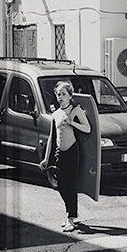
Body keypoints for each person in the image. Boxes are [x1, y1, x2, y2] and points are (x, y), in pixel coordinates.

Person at [48, 80, 92, 233]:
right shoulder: (55, 114)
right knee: (60, 185)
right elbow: (51, 138)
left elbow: (88, 129)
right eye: (58, 94)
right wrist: (46, 159)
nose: (60, 97)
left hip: (73, 152)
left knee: (70, 185)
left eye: (63, 94)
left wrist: (72, 123)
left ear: (70, 95)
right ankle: (70, 213)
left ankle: (71, 217)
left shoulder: (76, 111)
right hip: (60, 153)